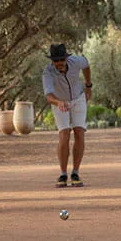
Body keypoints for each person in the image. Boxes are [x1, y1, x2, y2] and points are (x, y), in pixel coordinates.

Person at [42, 44, 92, 188]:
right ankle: (63, 174)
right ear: (52, 61)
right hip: (58, 101)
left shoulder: (76, 61)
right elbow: (48, 96)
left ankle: (75, 172)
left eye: (61, 60)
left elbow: (87, 64)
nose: (59, 64)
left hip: (78, 98)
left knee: (79, 131)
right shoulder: (48, 72)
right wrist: (59, 102)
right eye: (56, 61)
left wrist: (88, 85)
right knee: (64, 134)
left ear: (66, 58)